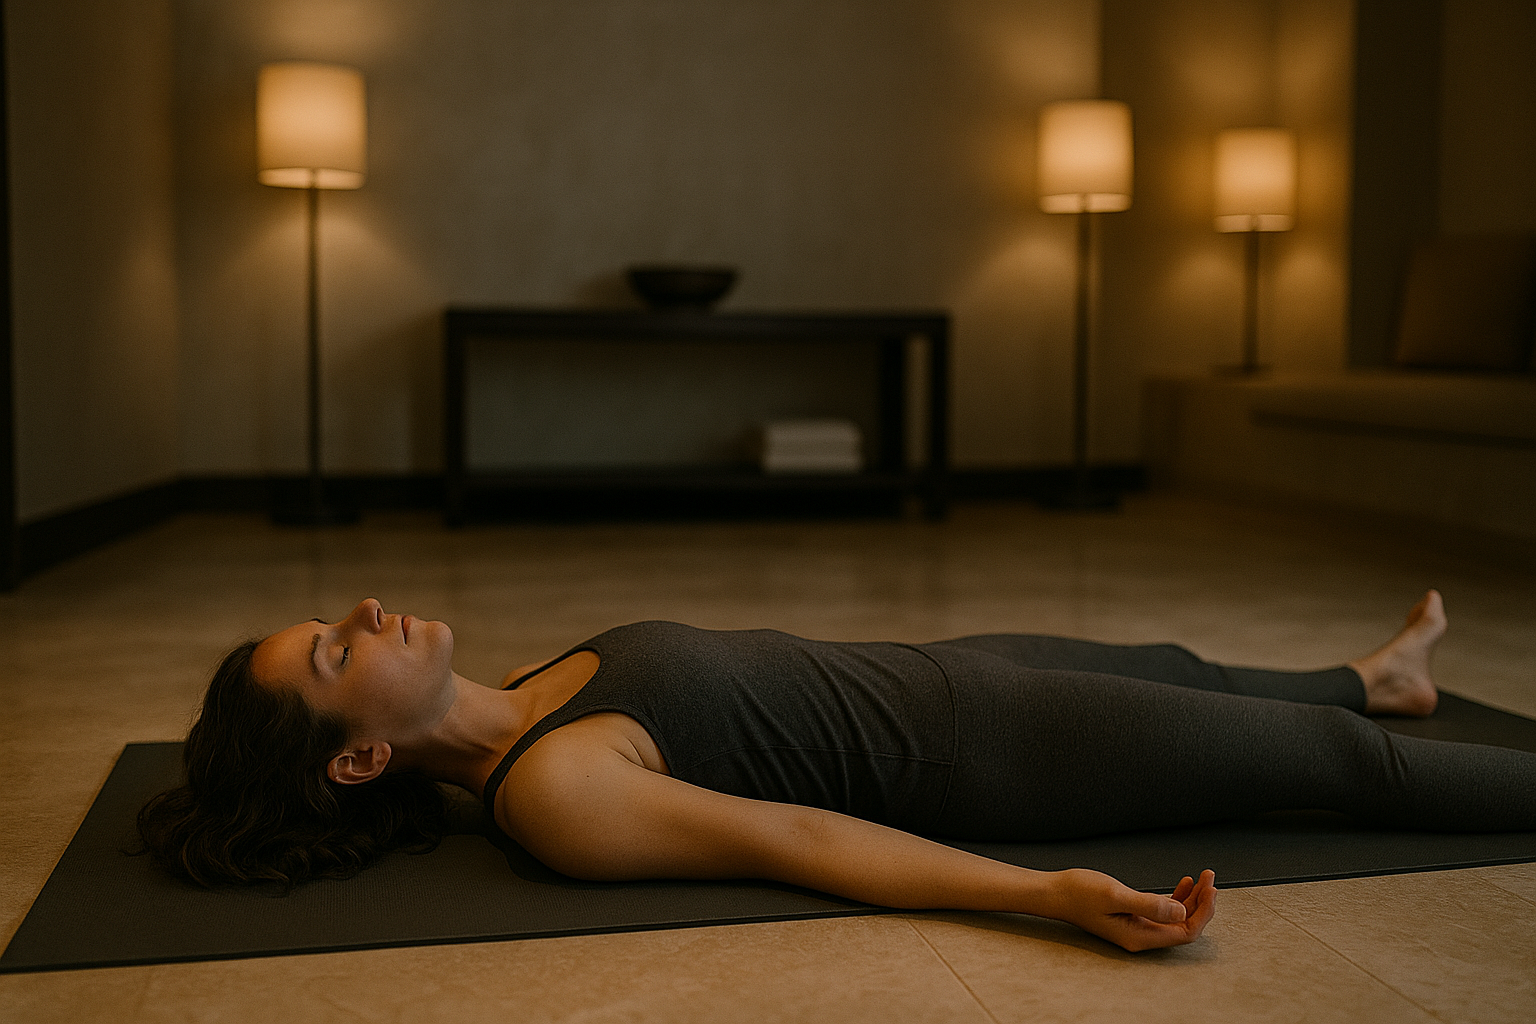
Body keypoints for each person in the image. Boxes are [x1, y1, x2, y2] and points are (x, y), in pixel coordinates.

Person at [139, 590, 1536, 953]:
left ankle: (1386, 673)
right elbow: (798, 839)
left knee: (1178, 661)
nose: (370, 613)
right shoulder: (557, 794)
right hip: (987, 752)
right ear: (362, 754)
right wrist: (1043, 897)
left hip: (941, 667)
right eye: (338, 649)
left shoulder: (536, 691)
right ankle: (1372, 712)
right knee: (1331, 768)